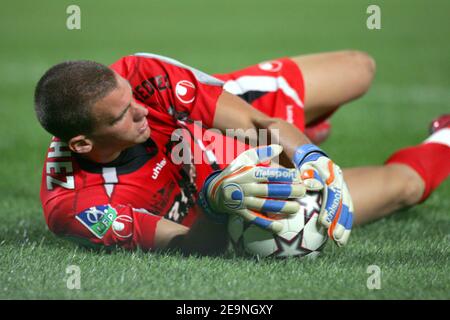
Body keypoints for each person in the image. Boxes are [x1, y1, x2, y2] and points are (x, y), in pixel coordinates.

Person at [34, 51, 450, 255]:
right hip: (235, 199)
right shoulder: (76, 204)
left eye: (132, 98)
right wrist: (217, 205)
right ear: (83, 144)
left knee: (360, 69)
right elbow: (188, 247)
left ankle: (308, 130)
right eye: (123, 116)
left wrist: (313, 159)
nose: (141, 110)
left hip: (218, 125)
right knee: (407, 188)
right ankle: (444, 137)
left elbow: (255, 124)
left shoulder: (141, 77)